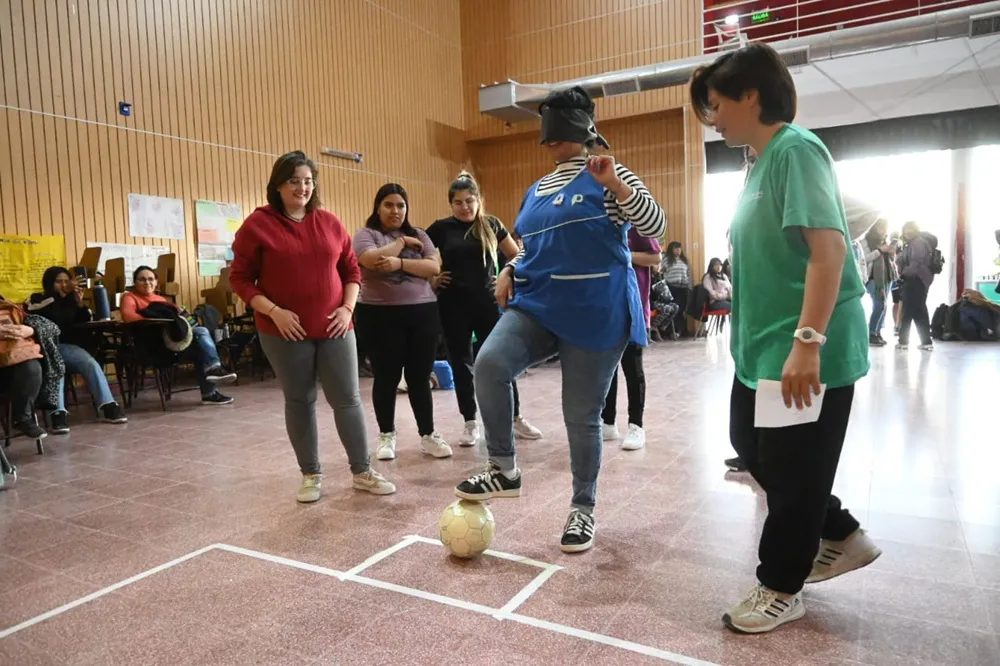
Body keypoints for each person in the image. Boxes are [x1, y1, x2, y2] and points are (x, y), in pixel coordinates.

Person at [690, 42, 880, 634]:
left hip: (802, 347)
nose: (711, 117)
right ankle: (841, 532)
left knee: (793, 469)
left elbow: (829, 251)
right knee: (749, 445)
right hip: (762, 349)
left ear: (752, 95)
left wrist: (807, 342)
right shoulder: (759, 162)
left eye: (716, 104)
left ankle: (781, 585)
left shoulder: (796, 150)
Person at [453, 85, 666, 553]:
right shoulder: (536, 188)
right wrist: (510, 266)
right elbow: (532, 246)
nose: (549, 135)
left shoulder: (609, 173)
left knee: (580, 415)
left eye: (558, 123)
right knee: (488, 364)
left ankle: (582, 509)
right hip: (538, 303)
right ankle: (503, 469)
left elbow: (655, 228)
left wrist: (614, 182)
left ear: (584, 127)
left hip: (596, 308)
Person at [230, 150, 395, 503]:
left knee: (348, 400)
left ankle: (362, 471)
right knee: (300, 400)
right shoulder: (258, 225)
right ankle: (310, 473)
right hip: (284, 331)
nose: (302, 187)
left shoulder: (329, 222)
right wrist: (275, 312)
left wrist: (348, 309)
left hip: (336, 327)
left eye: (307, 181)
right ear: (278, 185)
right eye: (294, 181)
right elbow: (241, 280)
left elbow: (351, 271)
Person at [427, 172, 542, 446]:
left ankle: (515, 417)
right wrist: (432, 278)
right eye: (458, 202)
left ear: (479, 200)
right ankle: (469, 421)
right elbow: (420, 255)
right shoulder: (441, 228)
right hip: (453, 305)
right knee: (461, 362)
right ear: (450, 204)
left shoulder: (492, 224)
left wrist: (506, 275)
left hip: (488, 304)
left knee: (502, 360)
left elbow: (517, 255)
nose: (464, 206)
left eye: (469, 200)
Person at [353, 183, 450, 461]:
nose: (395, 211)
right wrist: (402, 244)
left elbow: (433, 267)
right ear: (378, 207)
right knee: (387, 377)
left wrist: (400, 264)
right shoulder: (366, 234)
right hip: (379, 315)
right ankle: (387, 435)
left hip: (422, 313)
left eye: (400, 205)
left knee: (419, 377)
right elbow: (371, 259)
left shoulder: (420, 233)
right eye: (389, 205)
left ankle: (428, 434)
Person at [28, 267, 127, 432]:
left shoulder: (70, 300)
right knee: (57, 365)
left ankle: (108, 405)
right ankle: (58, 413)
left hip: (67, 347)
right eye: (59, 282)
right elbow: (36, 312)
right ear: (49, 282)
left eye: (67, 281)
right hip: (44, 348)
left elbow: (84, 320)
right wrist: (62, 294)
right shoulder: (38, 298)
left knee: (90, 362)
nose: (64, 285)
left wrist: (80, 304)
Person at [121, 266, 236, 405]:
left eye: (151, 279)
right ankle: (215, 369)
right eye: (142, 279)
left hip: (172, 343)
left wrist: (181, 316)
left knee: (201, 339)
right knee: (201, 333)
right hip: (152, 346)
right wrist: (158, 320)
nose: (147, 282)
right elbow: (128, 316)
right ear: (135, 282)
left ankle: (209, 393)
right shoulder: (130, 297)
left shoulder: (163, 300)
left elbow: (190, 322)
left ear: (156, 282)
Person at [601, 226, 660, 451]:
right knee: (609, 368)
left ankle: (636, 425)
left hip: (633, 307)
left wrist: (624, 254)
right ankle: (608, 422)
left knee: (632, 368)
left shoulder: (636, 221)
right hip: (607, 307)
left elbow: (655, 257)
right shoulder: (601, 219)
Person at [0, 296, 47, 439]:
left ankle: (22, 417)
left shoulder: (7, 306)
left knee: (31, 368)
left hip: (9, 362)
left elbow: (51, 327)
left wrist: (30, 330)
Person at [896, 221, 936, 351]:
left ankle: (903, 341)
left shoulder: (917, 243)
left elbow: (915, 263)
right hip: (920, 280)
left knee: (907, 310)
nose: (905, 233)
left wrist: (903, 274)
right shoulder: (914, 242)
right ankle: (926, 342)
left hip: (915, 279)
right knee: (920, 312)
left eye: (907, 230)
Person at [857, 219, 896, 347]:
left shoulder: (884, 241)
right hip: (873, 278)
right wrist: (879, 251)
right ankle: (871, 333)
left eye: (885, 228)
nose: (884, 231)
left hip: (887, 277)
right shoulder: (865, 242)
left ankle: (877, 332)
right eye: (881, 228)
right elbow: (864, 259)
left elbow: (890, 261)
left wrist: (891, 253)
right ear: (875, 228)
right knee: (879, 305)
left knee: (884, 306)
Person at [661, 241, 693, 335]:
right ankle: (673, 331)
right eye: (675, 248)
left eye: (679, 248)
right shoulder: (666, 260)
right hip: (670, 288)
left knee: (680, 309)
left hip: (683, 288)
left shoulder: (684, 261)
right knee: (672, 309)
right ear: (671, 249)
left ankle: (679, 331)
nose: (678, 250)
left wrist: (690, 287)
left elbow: (689, 275)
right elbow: (661, 273)